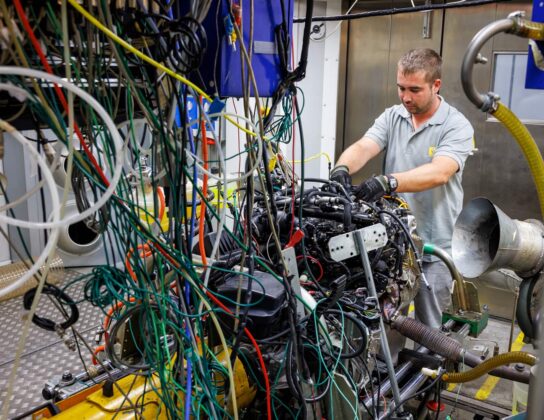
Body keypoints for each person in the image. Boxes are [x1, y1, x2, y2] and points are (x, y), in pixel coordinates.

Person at [330, 48, 474, 328]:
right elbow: (364, 146)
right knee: (385, 324)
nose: (406, 97)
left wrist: (389, 181)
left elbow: (441, 172)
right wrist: (342, 168)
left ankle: (430, 370)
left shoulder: (456, 125)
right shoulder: (393, 116)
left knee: (428, 331)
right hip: (393, 243)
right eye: (401, 88)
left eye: (415, 90)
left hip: (434, 246)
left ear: (436, 85)